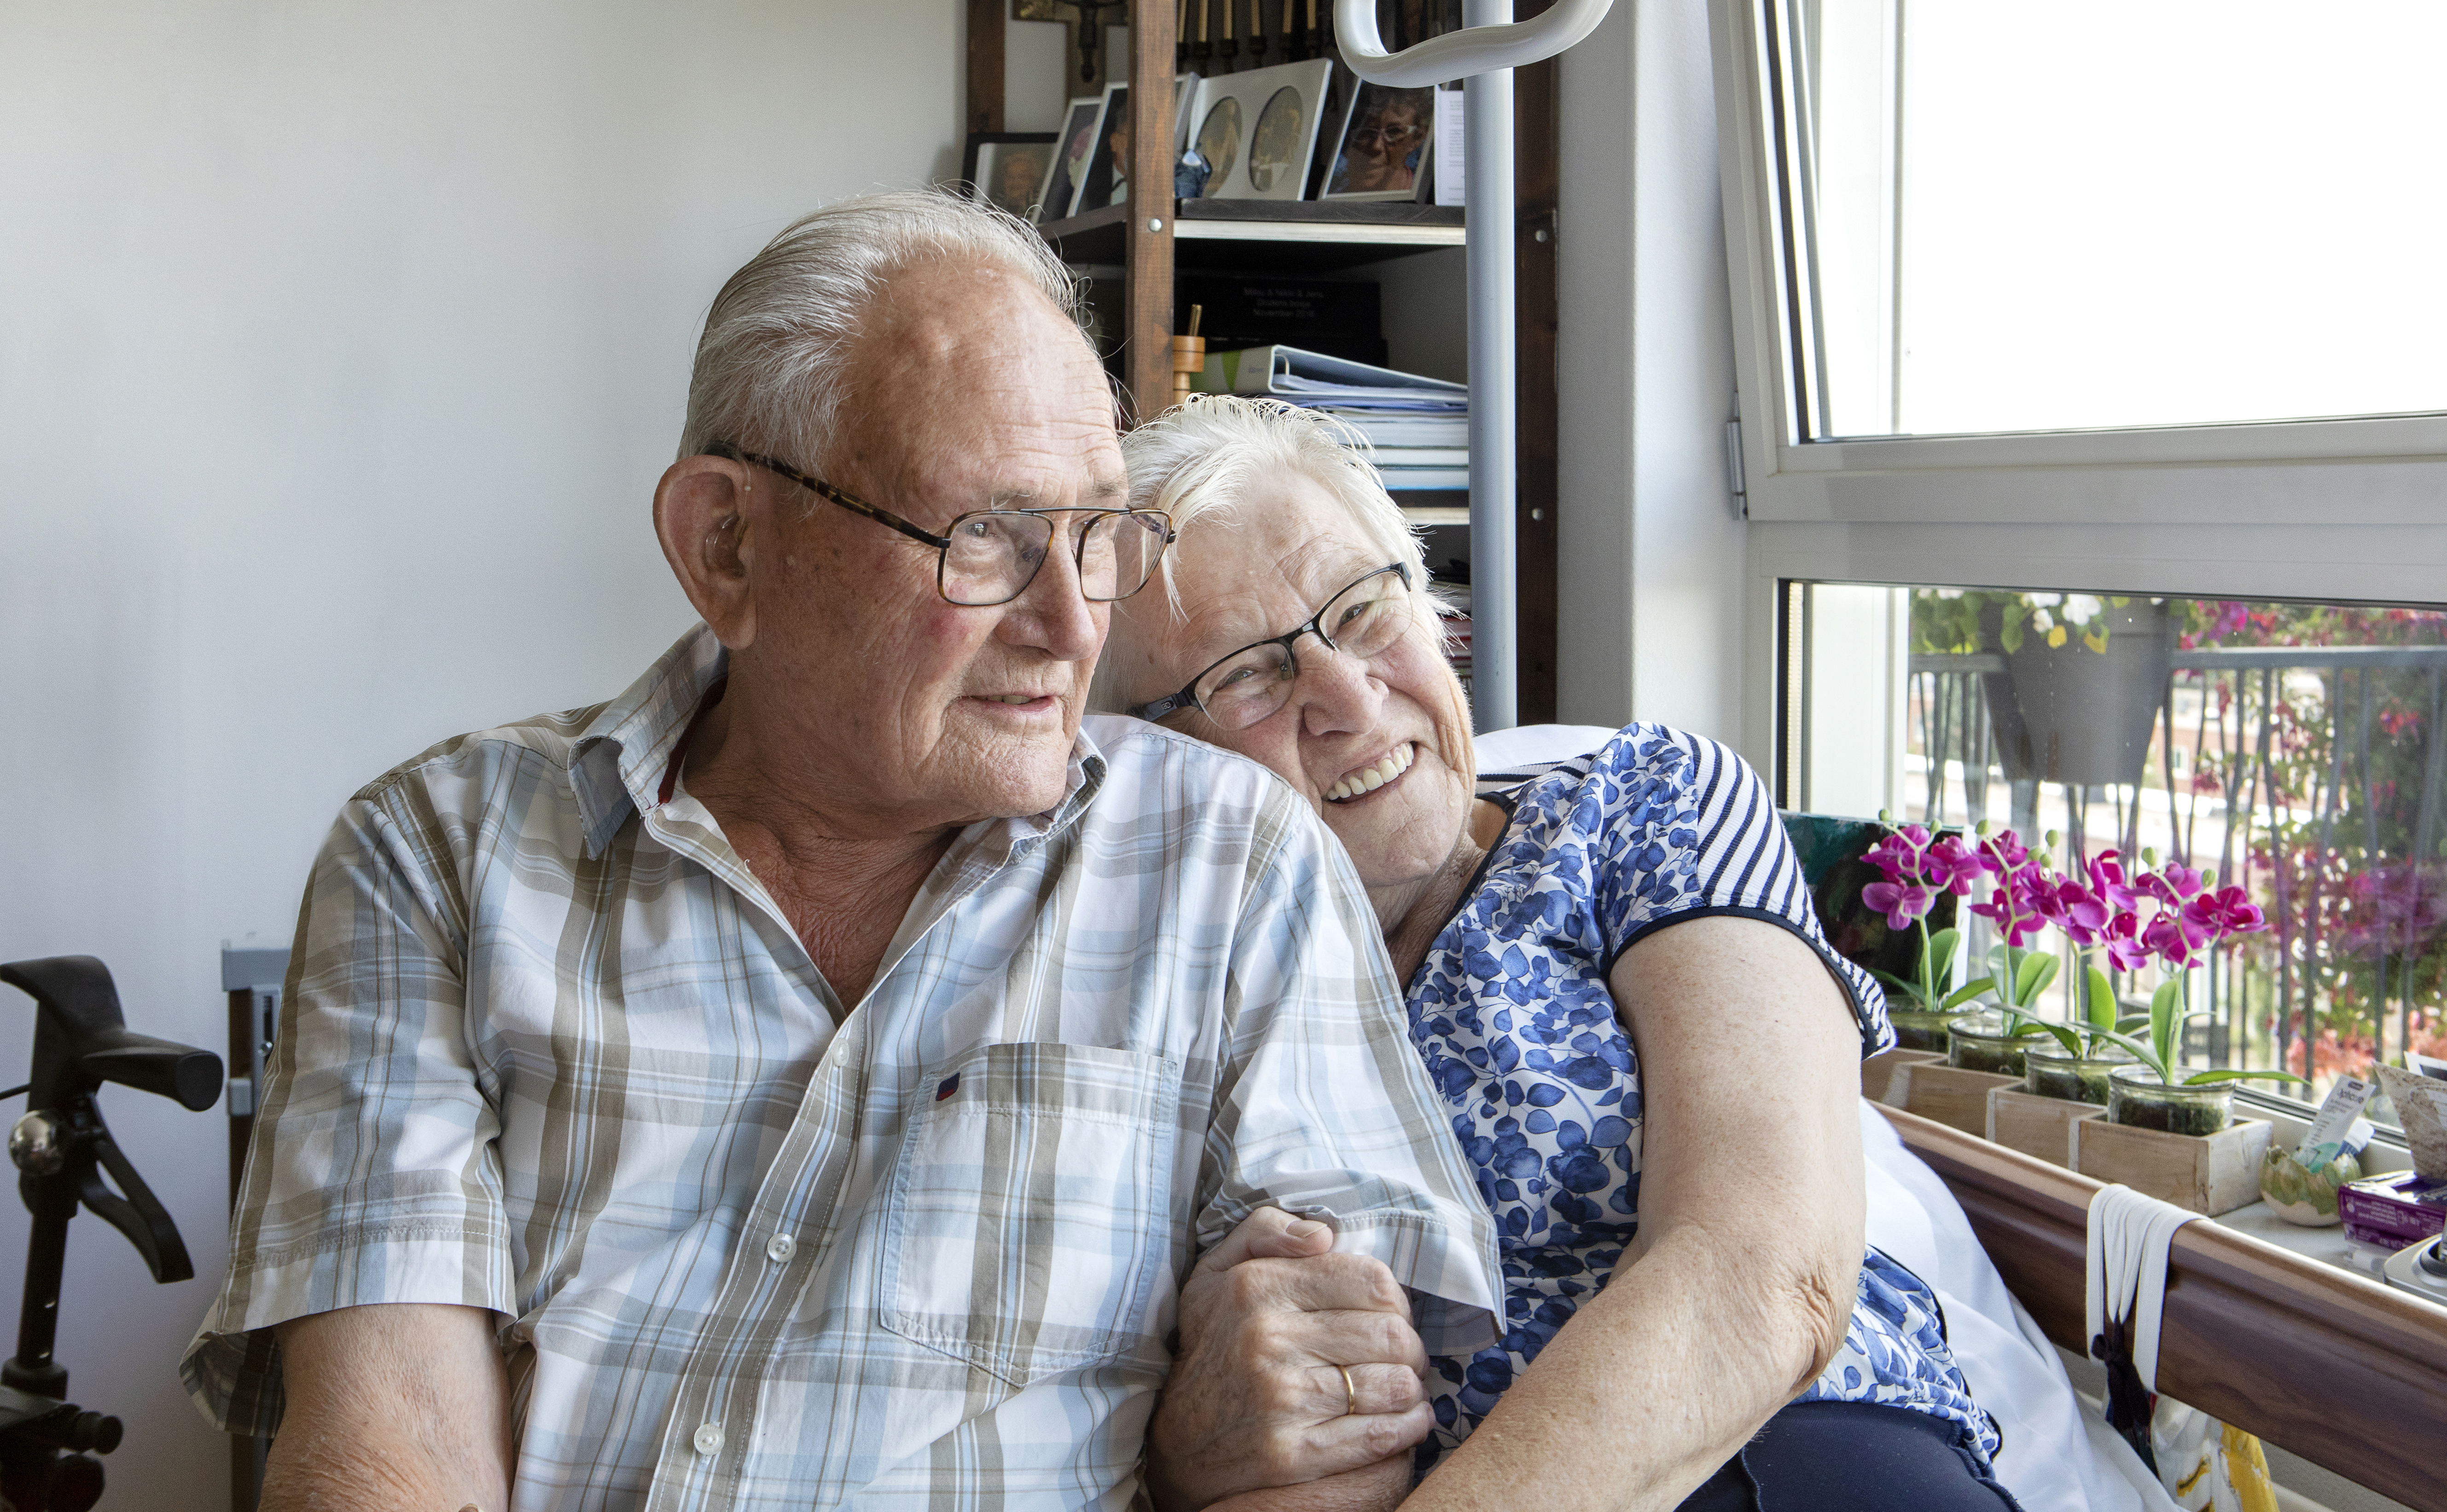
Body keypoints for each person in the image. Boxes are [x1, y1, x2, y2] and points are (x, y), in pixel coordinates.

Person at [182, 195, 1500, 1511]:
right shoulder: (442, 857)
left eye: (1098, 533)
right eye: (986, 535)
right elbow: (383, 1457)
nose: (1067, 623)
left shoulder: (1228, 864)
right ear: (727, 546)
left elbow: (1326, 1436)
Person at [1097, 397, 2017, 1512]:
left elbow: (1768, 1268)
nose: (1346, 694)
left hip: (1799, 1454)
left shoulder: (1646, 807)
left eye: (1366, 607)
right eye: (1247, 674)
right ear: (1144, 758)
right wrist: (1193, 1450)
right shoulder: (1136, 985)